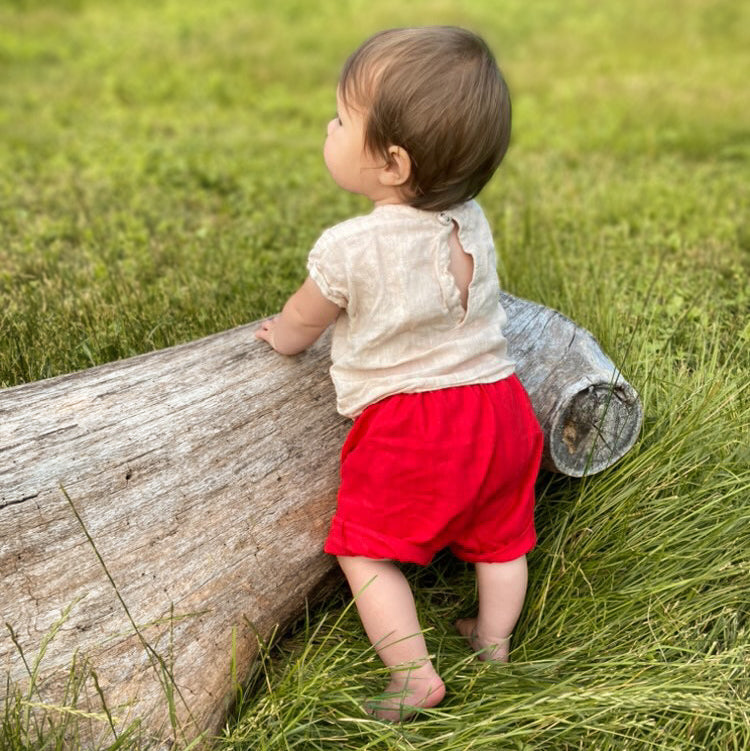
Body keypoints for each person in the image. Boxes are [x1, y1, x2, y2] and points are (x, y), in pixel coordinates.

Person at [255, 26, 543, 721]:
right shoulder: (470, 221)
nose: (328, 126)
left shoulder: (351, 247)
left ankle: (413, 673)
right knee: (502, 535)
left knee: (365, 550)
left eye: (341, 119)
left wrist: (281, 336)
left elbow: (304, 320)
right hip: (501, 408)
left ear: (391, 163)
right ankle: (494, 641)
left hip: (415, 425)